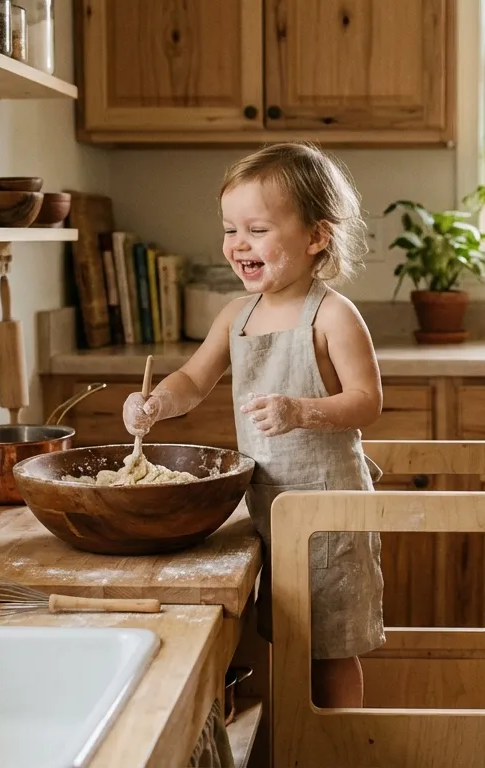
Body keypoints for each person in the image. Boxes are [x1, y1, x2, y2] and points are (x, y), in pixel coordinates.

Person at [122, 142, 385, 707]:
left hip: (327, 512)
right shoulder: (235, 315)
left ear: (315, 237)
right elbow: (192, 381)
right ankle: (286, 745)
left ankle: (339, 751)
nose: (238, 244)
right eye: (229, 229)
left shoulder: (333, 315)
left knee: (329, 647)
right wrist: (154, 404)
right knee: (276, 633)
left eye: (257, 229)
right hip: (262, 507)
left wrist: (302, 410)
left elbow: (366, 401)